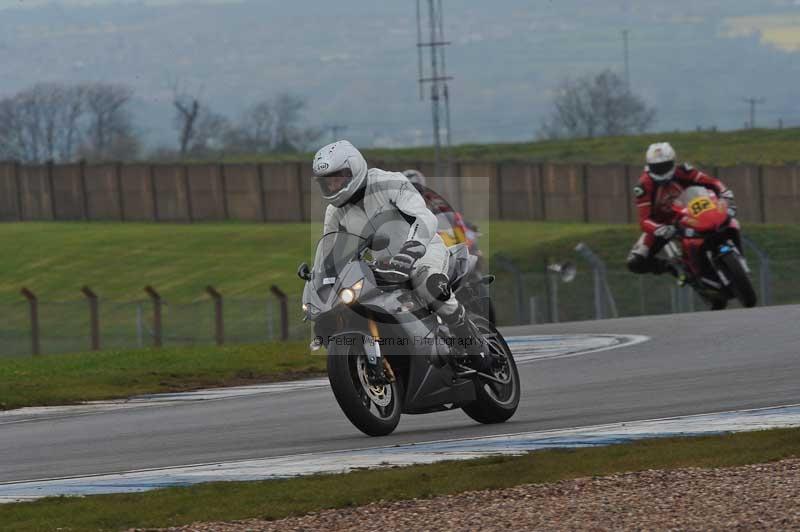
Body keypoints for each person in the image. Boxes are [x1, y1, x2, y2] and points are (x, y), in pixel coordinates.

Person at [312, 140, 489, 370]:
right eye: (328, 182)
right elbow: (331, 250)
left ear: (354, 169)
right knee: (361, 304)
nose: (334, 186)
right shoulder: (334, 212)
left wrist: (409, 252)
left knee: (428, 283)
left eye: (338, 178)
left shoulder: (389, 182)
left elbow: (424, 217)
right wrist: (321, 282)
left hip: (423, 251)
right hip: (383, 265)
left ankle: (472, 340)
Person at [626, 142, 740, 279]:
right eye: (657, 167)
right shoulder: (644, 185)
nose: (661, 170)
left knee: (727, 220)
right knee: (635, 262)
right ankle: (671, 266)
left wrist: (725, 192)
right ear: (649, 166)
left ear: (673, 162)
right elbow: (644, 220)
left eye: (665, 166)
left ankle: (735, 255)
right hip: (663, 224)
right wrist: (659, 229)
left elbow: (712, 182)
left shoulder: (683, 170)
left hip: (690, 213)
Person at [401, 169, 480, 255]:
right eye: (409, 190)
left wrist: (468, 229)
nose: (415, 194)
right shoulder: (398, 212)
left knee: (475, 253)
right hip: (414, 251)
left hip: (444, 248)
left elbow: (455, 220)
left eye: (418, 190)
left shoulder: (436, 207)